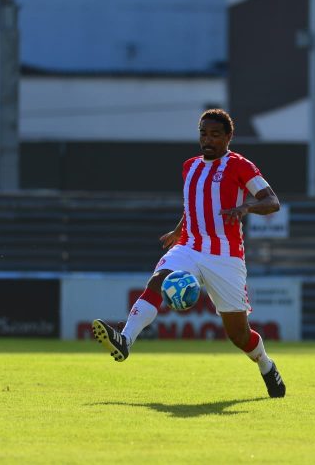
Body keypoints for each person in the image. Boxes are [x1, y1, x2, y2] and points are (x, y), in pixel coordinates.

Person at [92, 108, 286, 398]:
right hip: (190, 245)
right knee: (158, 279)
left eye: (215, 134)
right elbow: (194, 203)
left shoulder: (240, 165)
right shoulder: (190, 166)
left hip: (225, 255)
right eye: (203, 133)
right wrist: (178, 231)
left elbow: (272, 201)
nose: (207, 140)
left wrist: (245, 208)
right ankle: (126, 340)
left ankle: (266, 365)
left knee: (239, 335)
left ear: (228, 137)